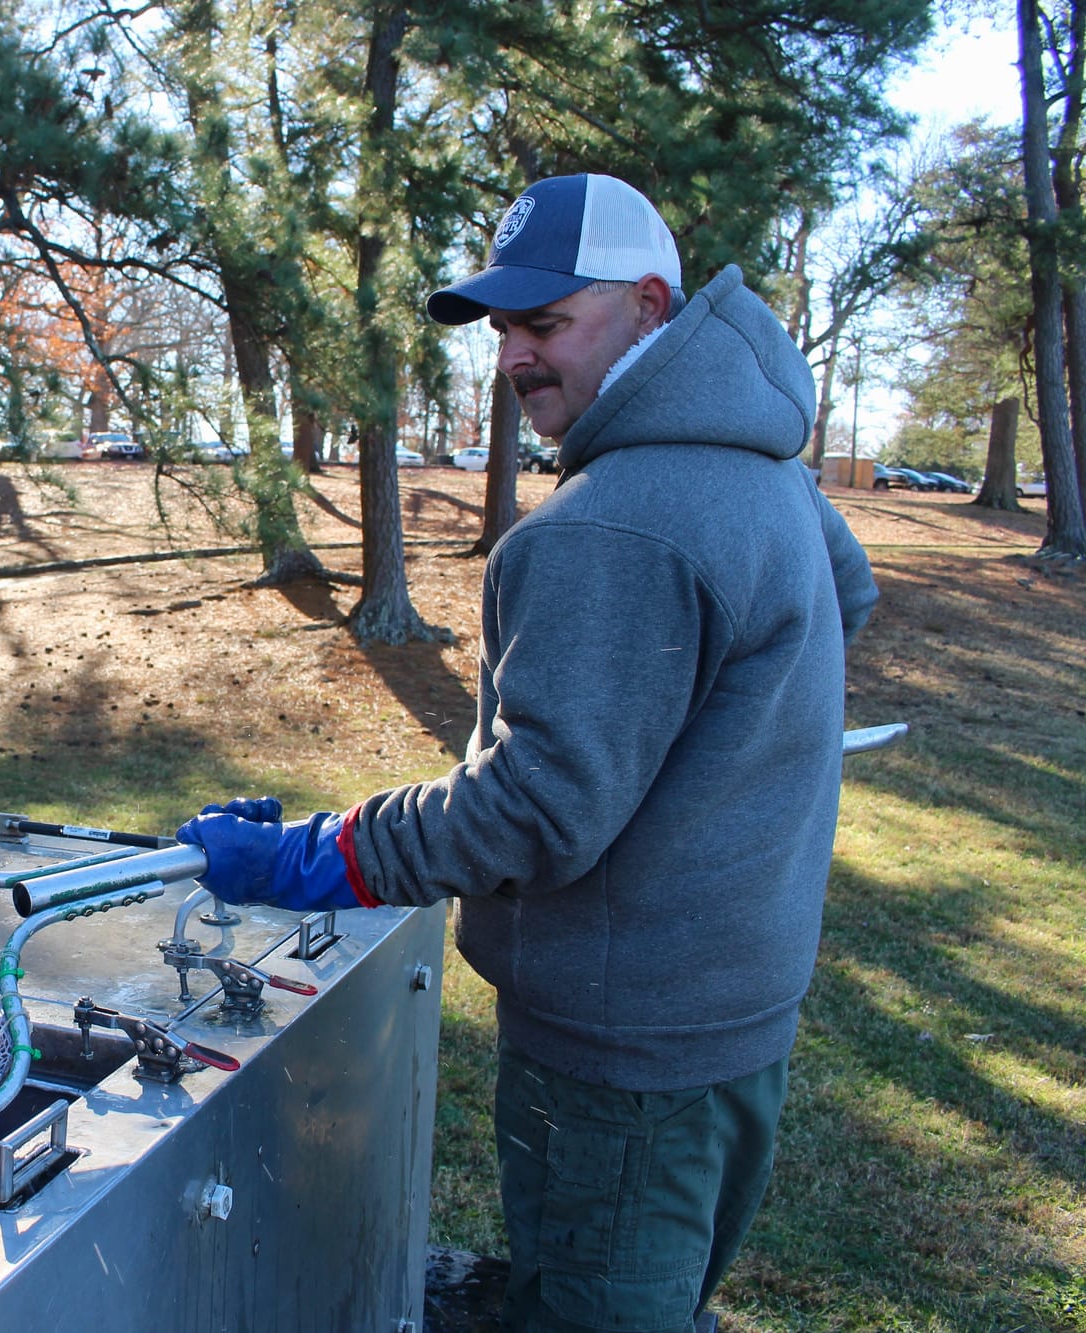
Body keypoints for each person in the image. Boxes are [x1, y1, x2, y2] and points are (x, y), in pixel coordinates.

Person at [175, 174, 879, 1333]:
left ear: (649, 306)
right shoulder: (769, 472)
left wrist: (316, 856)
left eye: (546, 322)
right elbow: (839, 603)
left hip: (620, 1050)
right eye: (504, 326)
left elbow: (533, 812)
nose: (512, 356)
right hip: (736, 1014)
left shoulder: (608, 522)